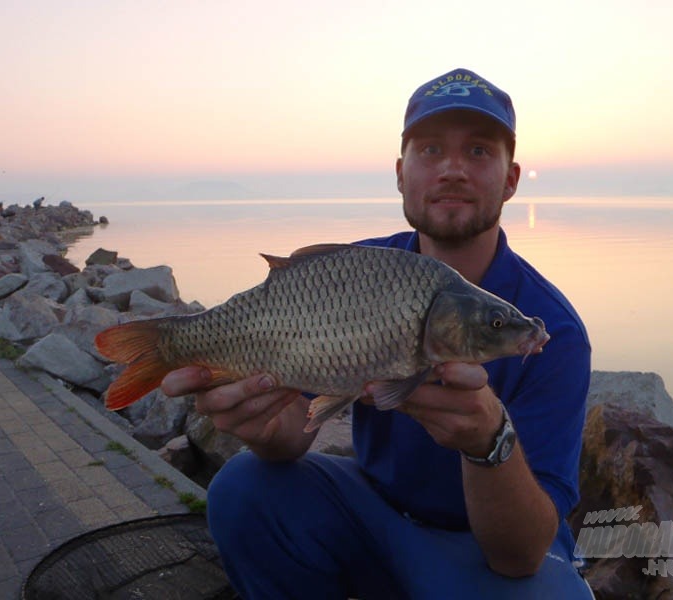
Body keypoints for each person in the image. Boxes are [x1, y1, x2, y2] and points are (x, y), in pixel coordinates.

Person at [162, 68, 593, 599]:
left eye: (479, 151)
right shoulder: (356, 272)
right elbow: (297, 426)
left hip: (487, 553)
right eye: (431, 150)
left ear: (511, 178)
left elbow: (520, 554)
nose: (453, 169)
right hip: (376, 513)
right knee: (243, 487)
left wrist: (489, 443)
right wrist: (270, 430)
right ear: (400, 173)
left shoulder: (555, 332)